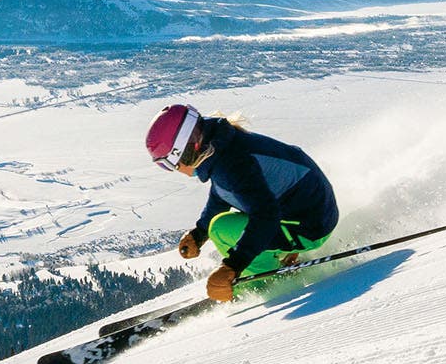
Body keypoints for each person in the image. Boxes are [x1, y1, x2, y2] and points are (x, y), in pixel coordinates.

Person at [145, 103, 340, 301]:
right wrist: (199, 233)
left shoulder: (231, 165)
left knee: (221, 229)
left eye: (167, 163)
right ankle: (275, 256)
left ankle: (261, 284)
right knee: (219, 226)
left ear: (183, 151)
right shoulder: (222, 149)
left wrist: (233, 267)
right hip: (312, 214)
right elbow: (223, 193)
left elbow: (265, 216)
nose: (173, 169)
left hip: (311, 228)